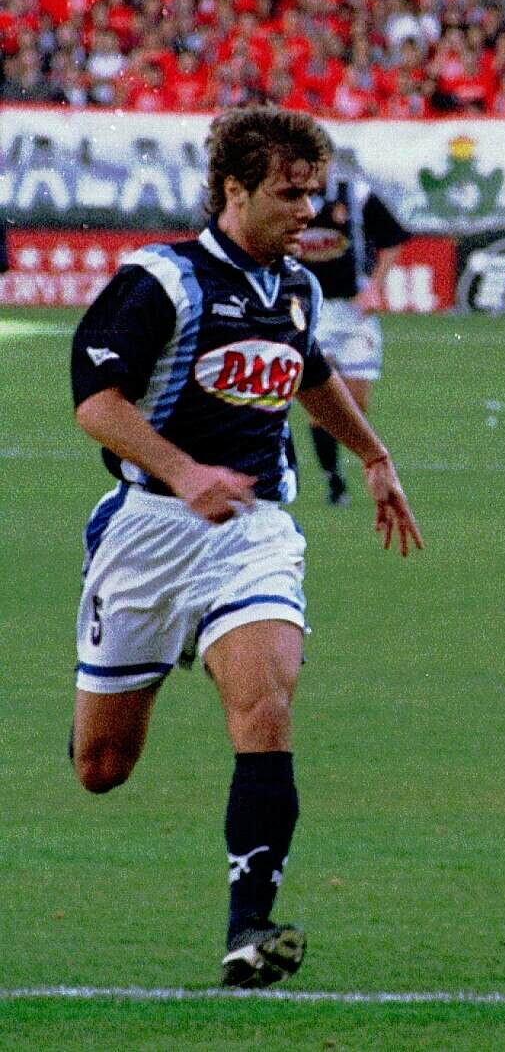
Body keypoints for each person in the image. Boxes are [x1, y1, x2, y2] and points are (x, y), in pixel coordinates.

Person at [69, 106, 423, 989]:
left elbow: (308, 371)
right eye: (288, 194)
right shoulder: (163, 281)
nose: (308, 211)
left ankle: (248, 929)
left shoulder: (295, 287)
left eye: (314, 192)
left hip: (253, 530)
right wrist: (184, 471)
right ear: (234, 190)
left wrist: (374, 456)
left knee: (267, 705)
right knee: (101, 769)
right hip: (149, 531)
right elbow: (96, 402)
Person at [298, 156, 411, 505]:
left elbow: (393, 239)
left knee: (356, 403)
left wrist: (375, 286)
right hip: (313, 312)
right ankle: (333, 479)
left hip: (353, 311)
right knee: (324, 400)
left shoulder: (355, 196)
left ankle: (344, 465)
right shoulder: (288, 200)